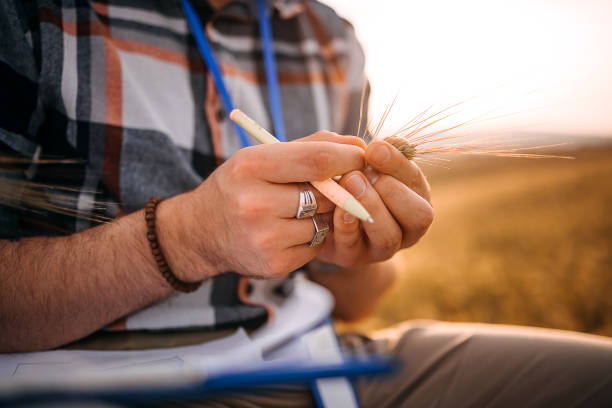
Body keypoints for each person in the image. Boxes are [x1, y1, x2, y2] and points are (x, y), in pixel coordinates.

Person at [0, 1, 610, 407]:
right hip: (89, 385)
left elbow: (358, 299)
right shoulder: (31, 17)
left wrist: (357, 252)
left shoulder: (327, 36)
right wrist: (190, 237)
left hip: (315, 360)